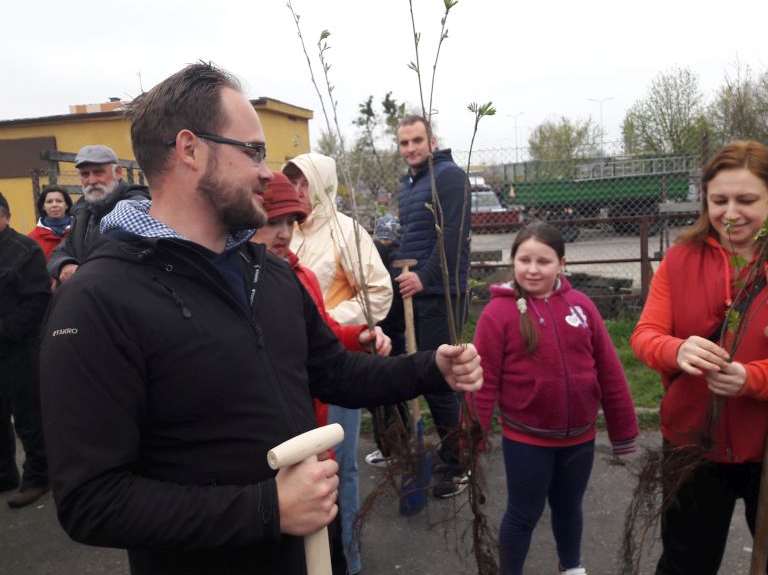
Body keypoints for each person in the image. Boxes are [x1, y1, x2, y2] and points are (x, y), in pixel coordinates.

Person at [38, 62, 483, 575]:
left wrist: (431, 368)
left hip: (311, 556)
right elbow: (92, 500)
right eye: (253, 151)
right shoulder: (98, 299)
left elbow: (333, 372)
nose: (269, 172)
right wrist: (267, 509)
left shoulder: (268, 274)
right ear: (190, 150)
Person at [630, 140, 768, 575]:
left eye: (747, 200)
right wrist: (677, 348)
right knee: (686, 562)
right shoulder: (681, 259)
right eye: (718, 200)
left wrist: (754, 378)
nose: (730, 213)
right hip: (694, 445)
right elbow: (646, 335)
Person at [472, 220, 638, 575]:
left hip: (580, 437)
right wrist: (472, 436)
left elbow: (609, 371)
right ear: (513, 262)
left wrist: (623, 431)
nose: (533, 269)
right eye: (524, 260)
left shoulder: (582, 307)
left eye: (543, 261)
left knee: (569, 506)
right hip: (527, 439)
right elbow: (482, 382)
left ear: (562, 263)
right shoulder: (497, 314)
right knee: (523, 513)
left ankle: (572, 566)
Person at [283, 152, 393, 574]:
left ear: (323, 184)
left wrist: (325, 327)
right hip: (292, 368)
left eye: (303, 182)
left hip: (335, 363)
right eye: (289, 180)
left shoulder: (346, 232)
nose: (295, 190)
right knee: (298, 463)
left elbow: (378, 294)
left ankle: (347, 555)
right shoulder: (284, 232)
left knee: (339, 466)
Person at [251, 173, 392, 431]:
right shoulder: (238, 281)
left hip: (313, 406)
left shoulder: (304, 276)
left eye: (290, 222)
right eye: (272, 222)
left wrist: (356, 337)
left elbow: (320, 333)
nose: (284, 234)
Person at [395, 114, 472, 498]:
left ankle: (460, 465)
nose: (410, 148)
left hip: (444, 295)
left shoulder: (449, 177)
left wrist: (424, 276)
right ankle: (449, 450)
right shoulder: (409, 184)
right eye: (404, 143)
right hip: (418, 297)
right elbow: (414, 236)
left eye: (416, 140)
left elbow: (453, 237)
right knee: (428, 375)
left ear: (432, 140)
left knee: (444, 381)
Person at [0, 192, 51, 508]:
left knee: (28, 417)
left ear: (4, 215)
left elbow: (37, 300)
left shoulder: (24, 250)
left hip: (20, 350)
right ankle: (4, 475)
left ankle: (38, 477)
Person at [47, 144, 149, 284]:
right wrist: (65, 265)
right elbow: (60, 251)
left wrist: (85, 273)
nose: (92, 181)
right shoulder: (82, 210)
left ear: (118, 172)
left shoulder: (136, 207)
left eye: (99, 172)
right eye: (85, 174)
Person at [365, 214, 410, 468]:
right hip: (396, 333)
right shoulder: (400, 262)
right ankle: (399, 442)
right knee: (394, 390)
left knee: (380, 393)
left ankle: (391, 447)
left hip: (381, 334)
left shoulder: (376, 259)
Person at [28, 185, 72, 260]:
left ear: (66, 205)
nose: (54, 205)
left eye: (59, 201)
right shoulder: (32, 239)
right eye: (49, 202)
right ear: (43, 207)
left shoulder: (80, 231)